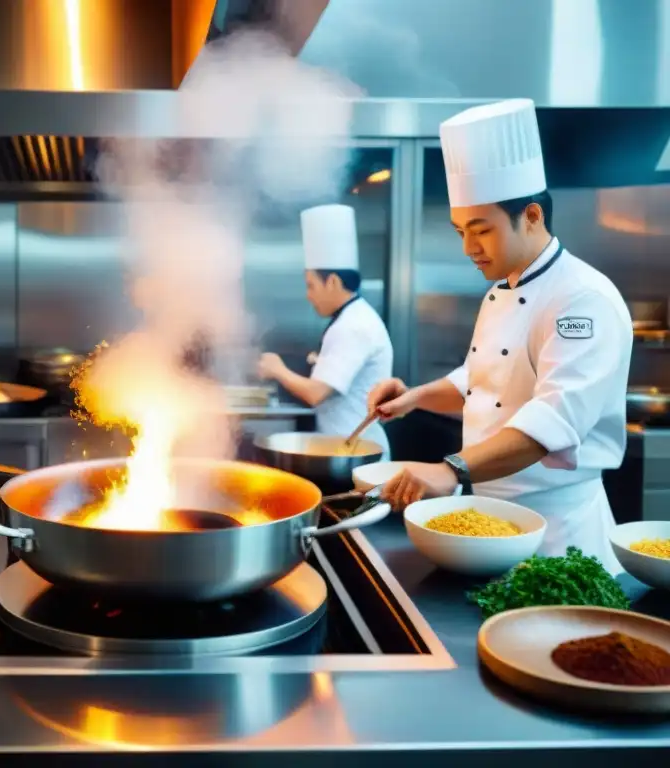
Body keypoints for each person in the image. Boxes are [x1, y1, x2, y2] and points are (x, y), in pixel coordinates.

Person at [368, 99, 632, 573]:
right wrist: (415, 397)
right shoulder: (501, 291)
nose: (469, 247)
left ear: (531, 215)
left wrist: (450, 469)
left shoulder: (582, 299)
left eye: (481, 230)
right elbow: (482, 383)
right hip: (491, 525)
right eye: (459, 231)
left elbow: (553, 422)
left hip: (558, 537)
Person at [258, 204, 393, 459]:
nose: (308, 296)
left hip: (358, 453)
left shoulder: (353, 326)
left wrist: (278, 369)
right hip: (346, 447)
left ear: (331, 281)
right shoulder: (352, 318)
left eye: (311, 285)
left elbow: (316, 393)